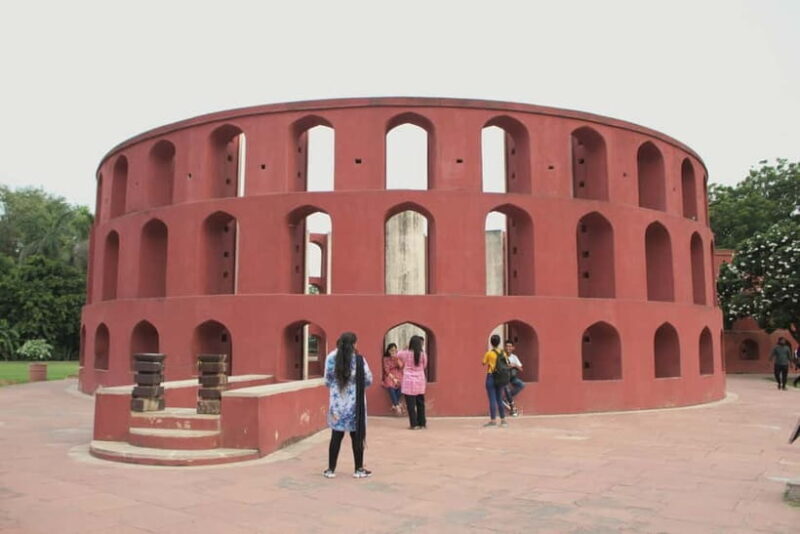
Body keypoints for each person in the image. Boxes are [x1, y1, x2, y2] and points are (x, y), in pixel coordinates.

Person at [323, 332, 373, 479]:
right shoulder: (359, 360)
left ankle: (330, 469)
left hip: (337, 406)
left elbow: (326, 381)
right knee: (356, 436)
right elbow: (368, 380)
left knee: (336, 437)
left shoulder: (331, 358)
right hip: (354, 406)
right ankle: (358, 469)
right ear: (354, 344)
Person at [398, 335, 427, 429]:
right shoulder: (423, 354)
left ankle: (414, 424)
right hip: (420, 380)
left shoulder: (405, 353)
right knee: (420, 403)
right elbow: (425, 365)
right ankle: (422, 423)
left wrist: (405, 347)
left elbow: (397, 354)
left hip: (408, 381)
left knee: (411, 405)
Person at [482, 334, 508, 427]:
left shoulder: (489, 353)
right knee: (499, 398)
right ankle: (503, 420)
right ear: (499, 342)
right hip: (501, 377)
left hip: (491, 376)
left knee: (492, 399)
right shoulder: (503, 352)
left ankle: (493, 421)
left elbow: (483, 362)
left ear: (491, 343)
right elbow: (507, 363)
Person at [501, 340, 526, 417]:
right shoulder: (501, 356)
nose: (508, 348)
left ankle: (507, 399)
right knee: (506, 387)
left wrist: (514, 365)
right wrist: (507, 366)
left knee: (521, 384)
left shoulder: (514, 357)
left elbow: (521, 369)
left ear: (513, 348)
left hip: (512, 377)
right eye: (507, 346)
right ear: (504, 347)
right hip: (504, 377)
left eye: (510, 346)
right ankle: (512, 407)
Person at [381, 343, 404, 415]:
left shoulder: (398, 357)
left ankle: (394, 404)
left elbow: (401, 366)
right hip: (390, 374)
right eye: (391, 350)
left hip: (399, 373)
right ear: (388, 351)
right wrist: (393, 378)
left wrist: (396, 358)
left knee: (402, 384)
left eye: (395, 350)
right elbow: (386, 370)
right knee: (390, 384)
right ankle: (397, 405)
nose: (393, 352)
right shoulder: (386, 359)